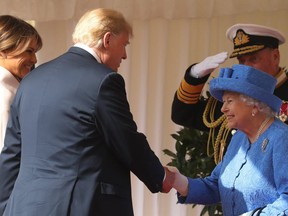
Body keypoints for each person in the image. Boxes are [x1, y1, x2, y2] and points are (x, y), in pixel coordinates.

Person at [0, 8, 173, 216]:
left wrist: (4, 208)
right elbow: (127, 140)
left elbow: (12, 154)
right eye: (124, 45)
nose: (125, 55)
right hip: (80, 207)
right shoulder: (104, 80)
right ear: (107, 40)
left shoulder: (30, 81)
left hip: (22, 207)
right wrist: (162, 177)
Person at [169, 64, 288, 215]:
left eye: (229, 101)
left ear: (254, 105)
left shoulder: (282, 139)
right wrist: (178, 181)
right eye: (224, 101)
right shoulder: (239, 138)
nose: (222, 108)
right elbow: (217, 185)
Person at [171, 23, 288, 163]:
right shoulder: (232, 95)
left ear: (275, 56)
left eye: (254, 59)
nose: (247, 67)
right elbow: (182, 114)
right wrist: (195, 75)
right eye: (242, 61)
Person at [0, 15, 42, 151]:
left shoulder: (14, 88)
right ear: (3, 51)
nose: (34, 59)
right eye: (29, 51)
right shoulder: (4, 95)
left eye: (34, 52)